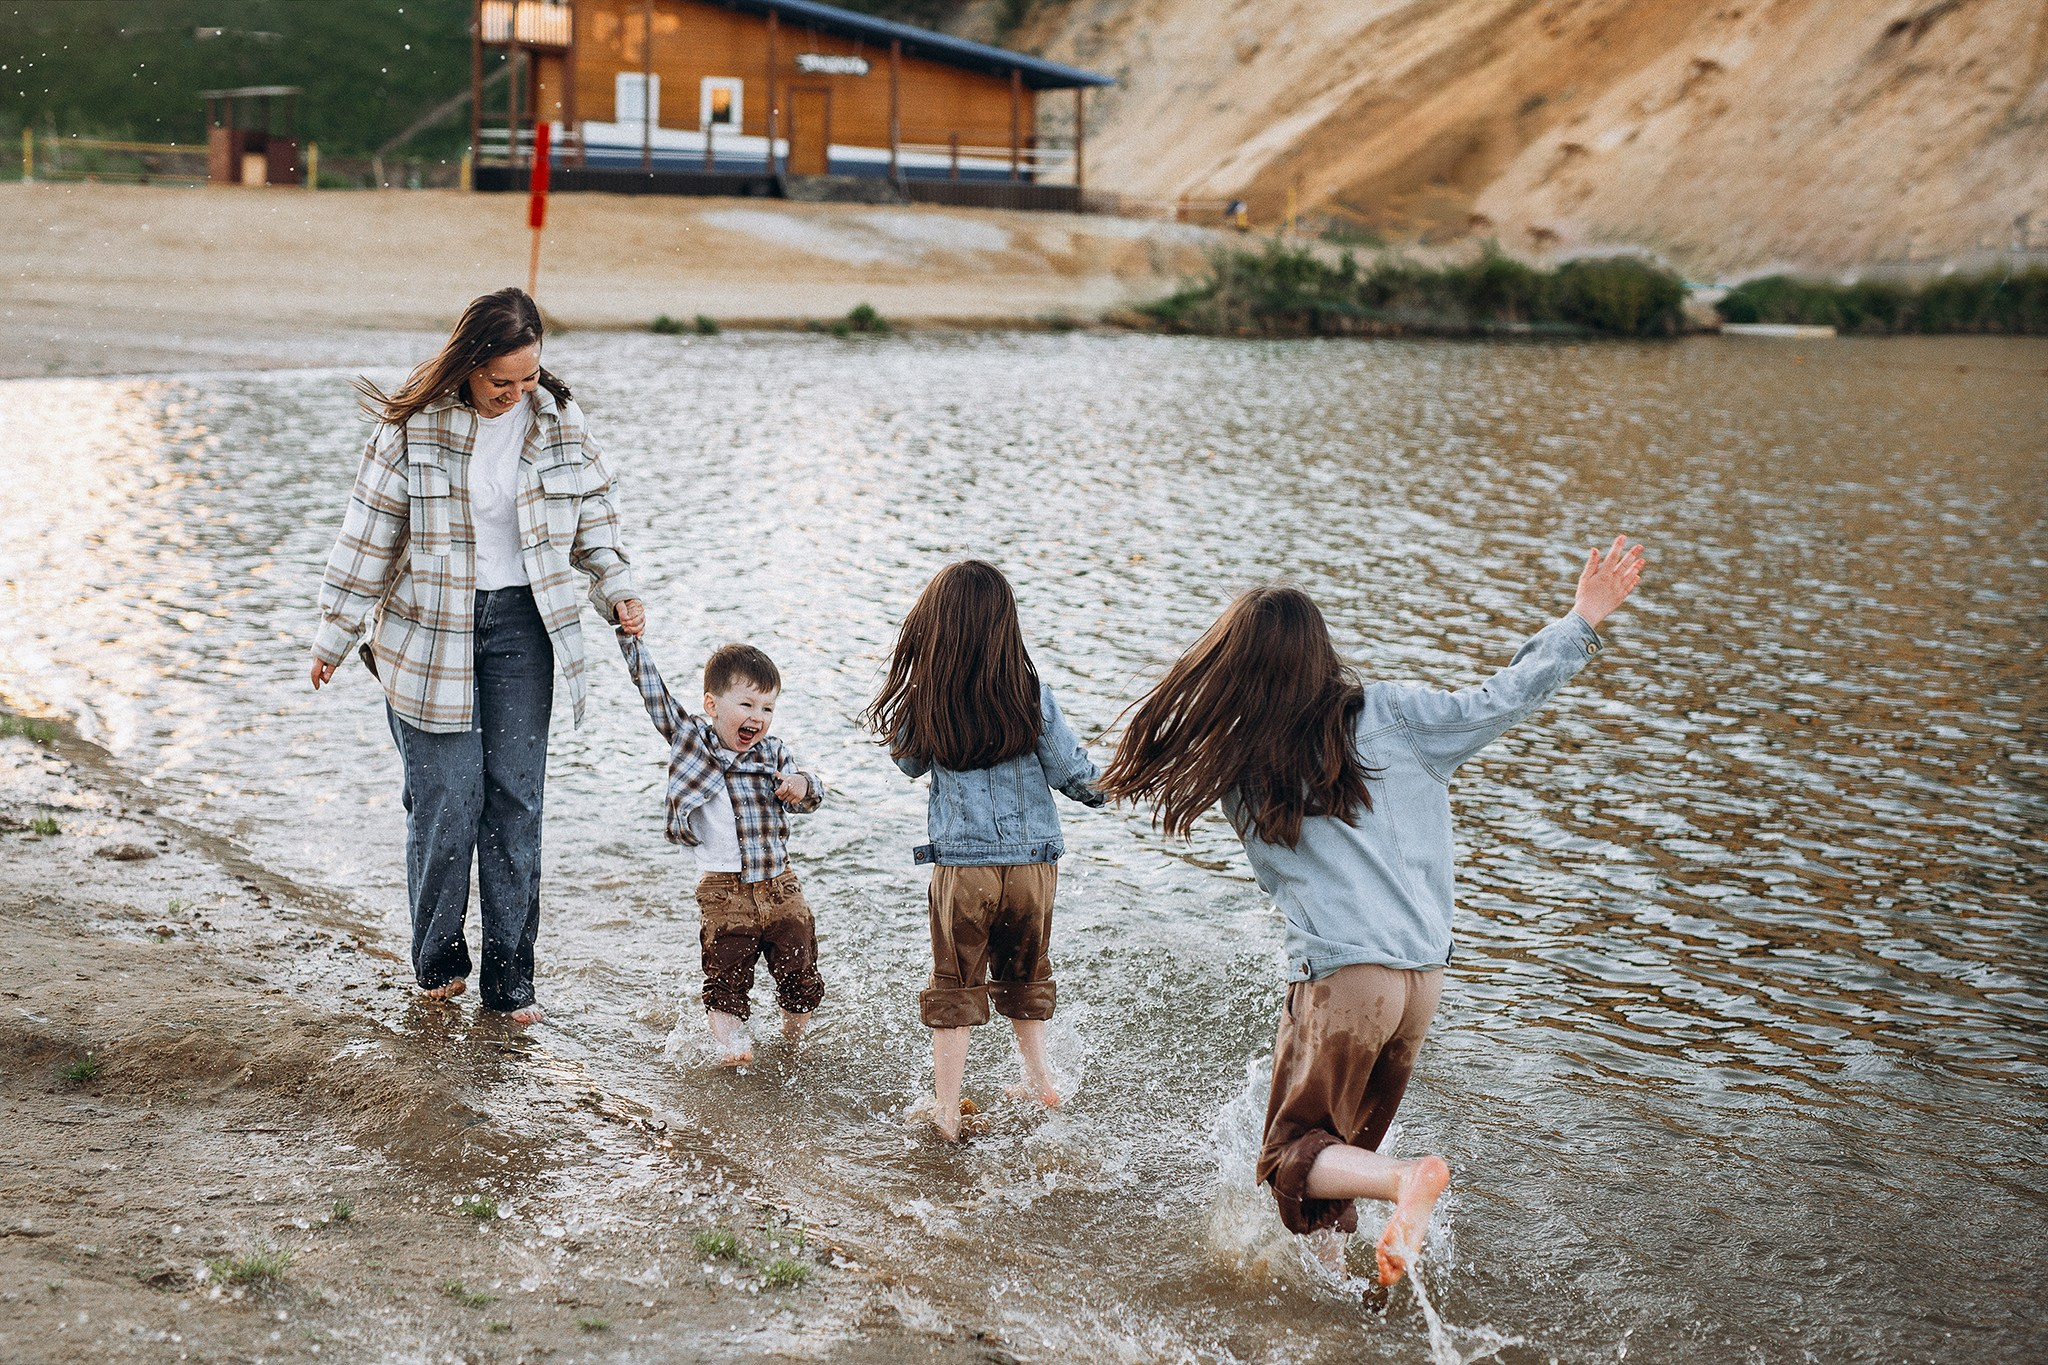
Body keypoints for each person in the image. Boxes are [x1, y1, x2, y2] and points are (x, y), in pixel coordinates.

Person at [1099, 537, 1646, 1286]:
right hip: (1421, 981)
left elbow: (1164, 754)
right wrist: (1582, 617)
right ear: (1322, 655)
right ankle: (1343, 1288)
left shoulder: (1237, 763)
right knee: (1340, 1153)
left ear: (1234, 670)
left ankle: (1405, 1181)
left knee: (1290, 1156)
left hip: (1345, 980)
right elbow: (1502, 696)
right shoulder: (1396, 715)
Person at [309, 287, 643, 1025]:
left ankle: (511, 980)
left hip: (526, 627)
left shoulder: (558, 421)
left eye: (528, 379)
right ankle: (437, 959)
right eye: (502, 382)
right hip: (432, 630)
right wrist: (334, 635)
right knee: (448, 798)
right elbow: (367, 536)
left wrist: (617, 588)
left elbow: (593, 514)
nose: (516, 395)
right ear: (468, 363)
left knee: (516, 802)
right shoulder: (412, 428)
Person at [861, 561, 1105, 1141]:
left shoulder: (931, 699)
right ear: (1005, 628)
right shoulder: (1031, 695)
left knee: (956, 983)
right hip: (1032, 868)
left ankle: (947, 1108)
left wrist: (922, 692)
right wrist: (1116, 785)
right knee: (1026, 971)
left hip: (962, 869)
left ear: (936, 631)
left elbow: (906, 762)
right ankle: (1040, 1079)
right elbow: (1075, 775)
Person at [616, 631, 826, 1065]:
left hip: (780, 885)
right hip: (723, 890)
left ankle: (793, 1044)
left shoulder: (773, 753)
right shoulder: (693, 740)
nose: (758, 717)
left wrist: (801, 785)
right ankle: (731, 1047)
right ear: (713, 706)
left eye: (767, 708)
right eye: (746, 705)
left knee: (800, 972)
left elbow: (812, 795)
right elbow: (654, 694)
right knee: (726, 974)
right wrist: (631, 639)